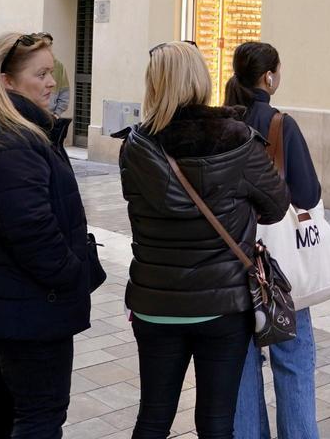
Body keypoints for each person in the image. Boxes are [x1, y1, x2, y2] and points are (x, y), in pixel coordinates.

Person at [0, 32, 105, 437]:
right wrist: (71, 274)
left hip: (1, 303)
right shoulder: (16, 139)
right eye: (41, 74)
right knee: (40, 413)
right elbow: (31, 229)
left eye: (53, 72)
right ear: (7, 82)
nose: (52, 82)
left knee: (1, 401)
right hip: (28, 309)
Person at [117, 41, 289, 439]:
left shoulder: (136, 147)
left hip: (154, 303)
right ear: (201, 79)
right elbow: (277, 205)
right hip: (222, 305)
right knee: (216, 423)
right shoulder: (238, 139)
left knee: (153, 418)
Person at [223, 41, 322, 439]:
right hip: (276, 267)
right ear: (269, 76)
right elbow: (309, 193)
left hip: (231, 261)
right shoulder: (280, 123)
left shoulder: (221, 121)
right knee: (293, 359)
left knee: (243, 367)